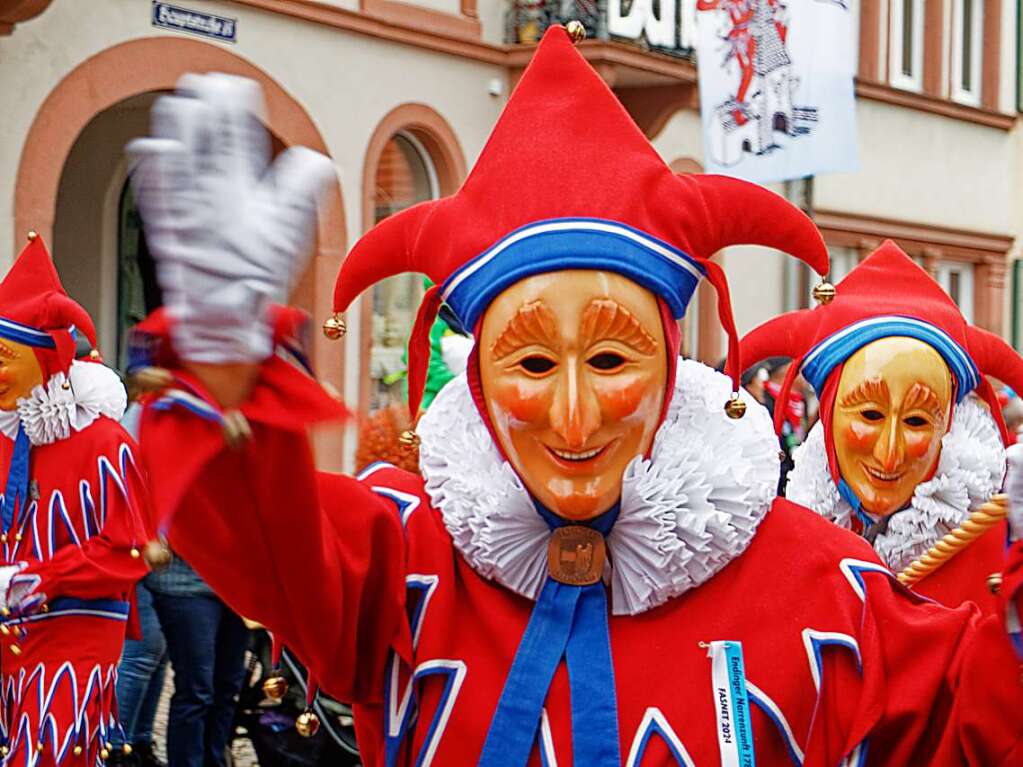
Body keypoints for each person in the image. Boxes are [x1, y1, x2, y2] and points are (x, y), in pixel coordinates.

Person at [128, 32, 1023, 766]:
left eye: (607, 358)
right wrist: (218, 373)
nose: (571, 419)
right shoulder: (403, 552)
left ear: (672, 368)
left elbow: (975, 717)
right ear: (475, 377)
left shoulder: (824, 586)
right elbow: (256, 534)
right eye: (527, 366)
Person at [742, 241, 1023, 613]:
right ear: (828, 420)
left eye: (916, 421)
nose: (889, 452)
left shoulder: (1000, 559)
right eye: (870, 416)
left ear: (948, 430)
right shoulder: (769, 552)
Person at [0, 235, 150, 766]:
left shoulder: (105, 443)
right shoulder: (8, 437)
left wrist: (38, 577)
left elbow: (127, 552)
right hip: (10, 640)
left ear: (44, 361)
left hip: (75, 637)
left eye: (4, 356)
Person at [146, 551, 248, 767]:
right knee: (196, 690)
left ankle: (215, 760)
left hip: (237, 587)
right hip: (184, 584)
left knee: (227, 689)